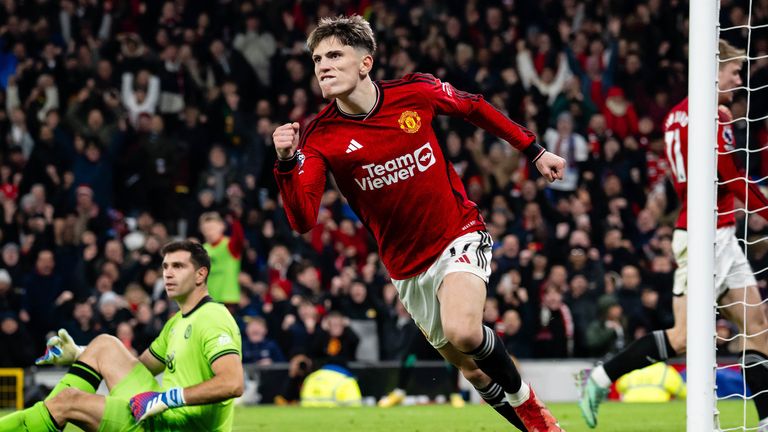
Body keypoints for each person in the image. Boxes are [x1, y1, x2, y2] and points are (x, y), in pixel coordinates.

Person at [273, 15, 566, 432]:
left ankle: (533, 412)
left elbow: (474, 107)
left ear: (365, 63)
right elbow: (303, 220)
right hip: (407, 268)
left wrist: (533, 149)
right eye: (317, 58)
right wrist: (286, 164)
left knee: (464, 331)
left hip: (457, 233)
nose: (323, 65)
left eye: (335, 55)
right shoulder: (319, 137)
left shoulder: (414, 92)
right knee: (475, 372)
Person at [579, 39, 768, 430]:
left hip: (715, 232)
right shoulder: (715, 114)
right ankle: (602, 377)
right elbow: (727, 173)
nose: (738, 80)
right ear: (714, 70)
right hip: (706, 238)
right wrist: (764, 209)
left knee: (758, 329)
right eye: (734, 72)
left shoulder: (674, 117)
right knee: (683, 337)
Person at [0, 240, 243, 431]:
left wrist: (167, 399)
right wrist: (80, 354)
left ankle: (34, 422)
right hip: (161, 419)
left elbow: (232, 383)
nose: (168, 274)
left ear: (201, 275)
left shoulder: (213, 318)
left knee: (68, 400)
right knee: (105, 344)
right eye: (165, 267)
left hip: (177, 427)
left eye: (178, 266)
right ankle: (41, 419)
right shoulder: (176, 322)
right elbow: (138, 367)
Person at [199, 211, 244, 306]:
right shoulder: (202, 249)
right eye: (206, 229)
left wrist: (235, 221)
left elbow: (239, 238)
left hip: (228, 299)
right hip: (208, 299)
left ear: (222, 226)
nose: (209, 232)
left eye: (212, 228)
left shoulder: (230, 245)